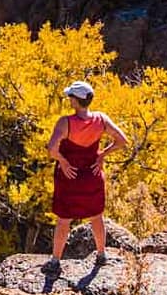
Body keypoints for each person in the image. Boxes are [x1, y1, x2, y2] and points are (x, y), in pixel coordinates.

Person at [44, 79, 128, 269]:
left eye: (70, 97)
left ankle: (56, 261)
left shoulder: (65, 123)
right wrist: (102, 155)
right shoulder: (101, 119)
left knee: (64, 219)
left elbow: (51, 149)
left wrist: (63, 161)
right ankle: (101, 255)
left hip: (69, 177)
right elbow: (122, 140)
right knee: (96, 216)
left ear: (75, 101)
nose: (69, 100)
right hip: (92, 175)